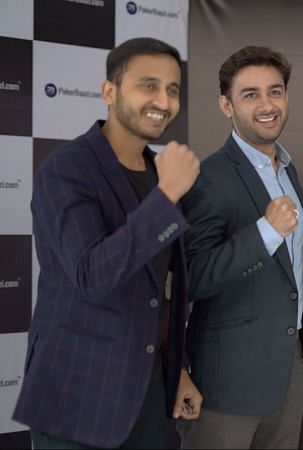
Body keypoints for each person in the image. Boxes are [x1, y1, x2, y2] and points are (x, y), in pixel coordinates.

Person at [13, 37, 202, 449]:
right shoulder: (66, 169)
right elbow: (92, 276)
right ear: (109, 92)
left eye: (173, 89)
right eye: (148, 85)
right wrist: (167, 197)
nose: (164, 100)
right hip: (77, 399)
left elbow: (161, 291)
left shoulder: (160, 171)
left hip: (147, 396)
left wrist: (178, 369)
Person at [178, 46, 303, 449]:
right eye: (250, 94)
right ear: (226, 105)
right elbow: (196, 277)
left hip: (287, 375)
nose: (266, 105)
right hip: (227, 382)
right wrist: (264, 233)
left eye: (275, 92)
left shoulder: (288, 169)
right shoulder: (207, 177)